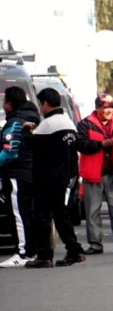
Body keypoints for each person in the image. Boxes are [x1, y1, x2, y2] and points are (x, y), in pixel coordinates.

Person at [25, 88, 85, 268]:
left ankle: (44, 255)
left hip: (46, 179)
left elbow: (31, 146)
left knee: (43, 216)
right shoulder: (68, 123)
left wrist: (27, 131)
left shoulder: (47, 125)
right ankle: (74, 250)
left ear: (44, 104)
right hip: (64, 177)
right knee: (61, 215)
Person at [76, 93, 113, 255]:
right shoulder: (85, 124)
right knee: (92, 210)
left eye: (111, 106)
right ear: (97, 107)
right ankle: (95, 244)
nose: (109, 110)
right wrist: (102, 144)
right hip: (93, 173)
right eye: (105, 106)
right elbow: (81, 144)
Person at [0, 87, 41, 268]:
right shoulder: (33, 119)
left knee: (19, 214)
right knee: (29, 213)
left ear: (9, 104)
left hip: (17, 174)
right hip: (32, 172)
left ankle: (23, 252)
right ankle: (32, 250)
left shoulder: (15, 123)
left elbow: (10, 152)